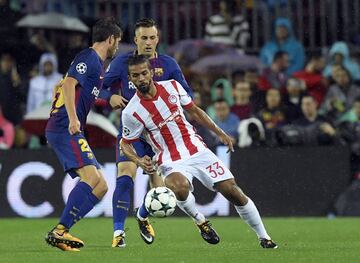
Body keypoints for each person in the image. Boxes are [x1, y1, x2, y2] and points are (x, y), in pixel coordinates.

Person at [121, 54, 277, 249]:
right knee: (179, 187)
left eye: (144, 73)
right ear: (130, 79)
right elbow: (125, 144)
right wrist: (137, 160)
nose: (141, 78)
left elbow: (194, 111)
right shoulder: (131, 112)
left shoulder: (172, 86)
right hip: (169, 158)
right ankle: (200, 221)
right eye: (136, 76)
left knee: (233, 191)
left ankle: (265, 238)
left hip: (197, 149)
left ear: (151, 72)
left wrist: (220, 133)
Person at [103, 18, 193, 248]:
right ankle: (118, 233)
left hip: (161, 137)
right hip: (132, 133)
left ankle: (142, 216)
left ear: (158, 39)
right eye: (144, 38)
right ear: (135, 40)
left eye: (152, 37)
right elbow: (98, 85)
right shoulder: (122, 62)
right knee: (125, 176)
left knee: (160, 190)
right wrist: (109, 97)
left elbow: (187, 95)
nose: (149, 42)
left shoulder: (169, 64)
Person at [44, 17, 122, 252]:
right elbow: (68, 85)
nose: (117, 46)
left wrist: (108, 98)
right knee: (91, 178)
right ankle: (60, 231)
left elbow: (62, 86)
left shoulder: (96, 64)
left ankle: (63, 230)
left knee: (101, 186)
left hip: (65, 126)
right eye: (117, 41)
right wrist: (73, 118)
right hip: (65, 127)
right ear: (110, 39)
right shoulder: (89, 58)